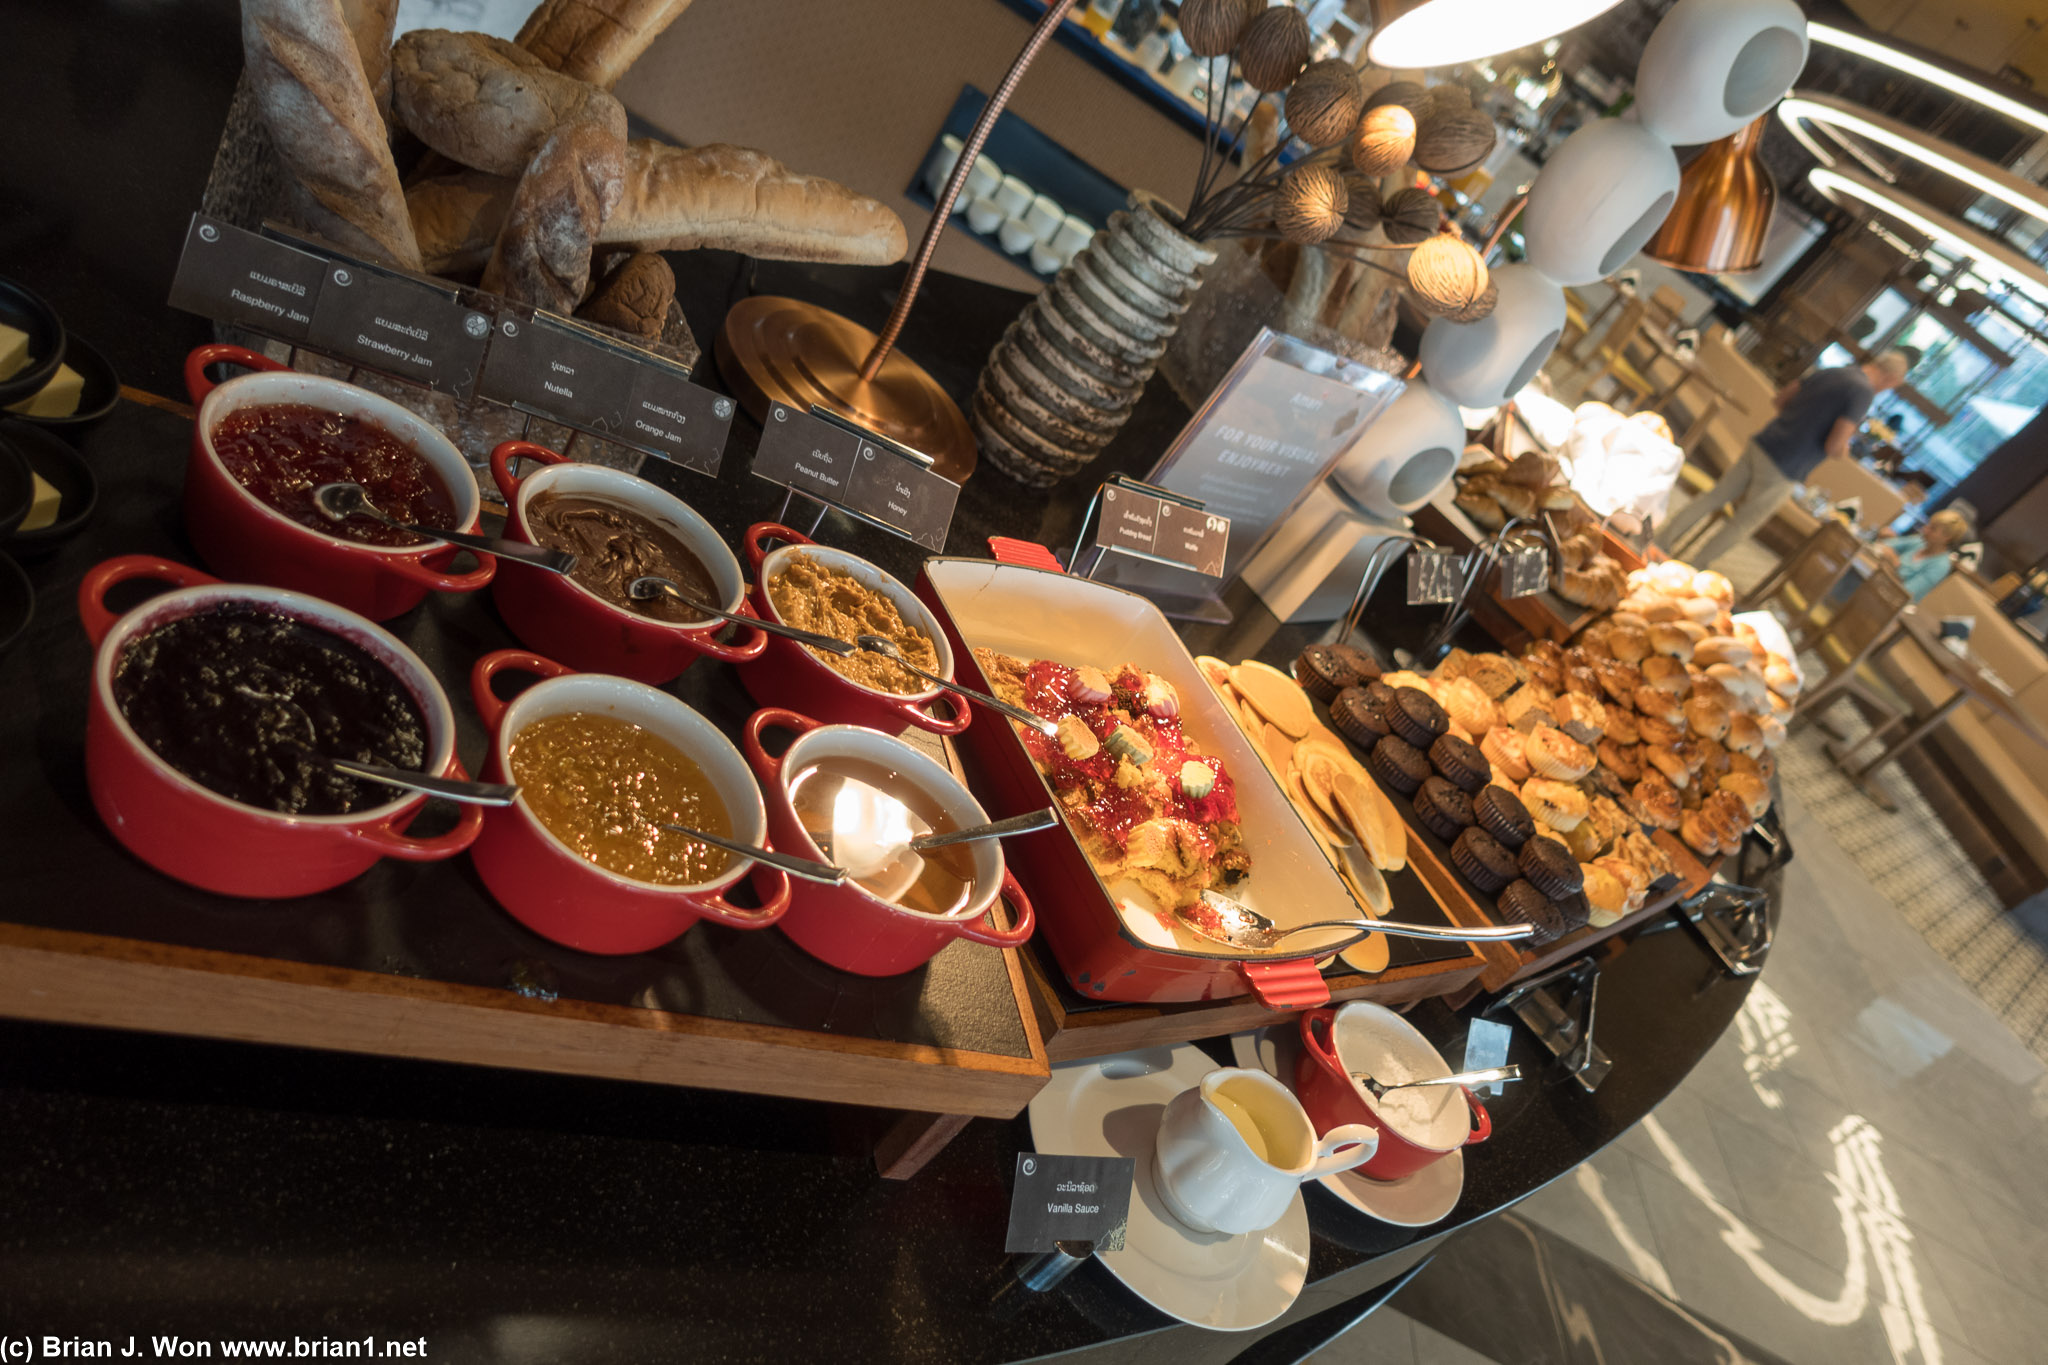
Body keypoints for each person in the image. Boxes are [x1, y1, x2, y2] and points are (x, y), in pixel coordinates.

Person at [1656, 351, 1912, 567]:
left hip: (1766, 441)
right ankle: (1692, 568)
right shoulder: (1863, 392)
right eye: (1893, 385)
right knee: (1742, 524)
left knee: (1714, 497)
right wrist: (1844, 450)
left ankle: (1660, 542)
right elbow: (1834, 444)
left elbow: (1781, 399)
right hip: (1787, 465)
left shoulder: (1835, 371)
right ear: (1891, 378)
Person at [1876, 508, 1973, 600]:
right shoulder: (1920, 542)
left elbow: (1905, 592)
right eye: (1928, 525)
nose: (1925, 529)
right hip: (1878, 587)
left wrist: (1895, 563)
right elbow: (1883, 545)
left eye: (1933, 529)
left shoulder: (1941, 566)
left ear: (1947, 537)